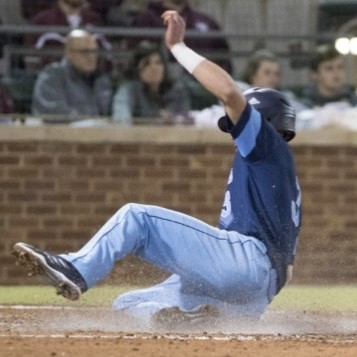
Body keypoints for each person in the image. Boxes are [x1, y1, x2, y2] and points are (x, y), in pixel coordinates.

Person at [13, 10, 302, 329]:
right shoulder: (280, 174)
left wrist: (178, 47)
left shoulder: (266, 143)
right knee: (128, 303)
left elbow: (230, 93)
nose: (233, 131)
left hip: (245, 263)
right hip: (253, 294)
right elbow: (285, 271)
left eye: (237, 123)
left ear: (265, 120)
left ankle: (76, 270)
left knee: (136, 217)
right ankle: (180, 319)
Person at [31, 29, 113, 123]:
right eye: (85, 52)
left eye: (94, 51)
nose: (91, 57)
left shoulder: (101, 79)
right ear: (69, 53)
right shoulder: (52, 76)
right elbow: (55, 116)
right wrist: (91, 123)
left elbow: (108, 115)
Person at [131, 0, 232, 74]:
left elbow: (224, 57)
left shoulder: (206, 21)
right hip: (162, 84)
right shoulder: (144, 20)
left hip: (203, 80)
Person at [112, 41, 191, 125]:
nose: (154, 68)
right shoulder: (128, 91)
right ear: (137, 69)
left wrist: (173, 119)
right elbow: (121, 121)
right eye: (147, 63)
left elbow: (186, 121)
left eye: (158, 63)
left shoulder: (177, 91)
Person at [24, 0, 103, 48]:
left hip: (89, 75)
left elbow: (107, 55)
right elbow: (31, 58)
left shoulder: (94, 20)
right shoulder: (41, 21)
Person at [301, 44, 357, 108]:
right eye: (329, 68)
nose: (336, 73)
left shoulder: (353, 102)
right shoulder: (304, 107)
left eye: (340, 67)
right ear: (315, 74)